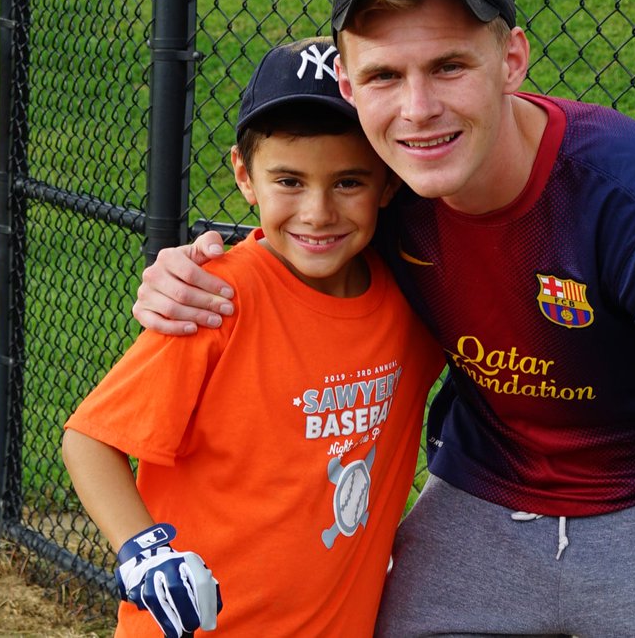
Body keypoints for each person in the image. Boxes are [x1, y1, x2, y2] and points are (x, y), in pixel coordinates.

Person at [132, 0, 635, 637]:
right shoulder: (381, 190)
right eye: (384, 75)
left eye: (448, 67)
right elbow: (295, 239)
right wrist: (189, 272)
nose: (417, 108)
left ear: (512, 60)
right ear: (349, 86)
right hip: (485, 493)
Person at [62, 36, 444, 637]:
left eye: (349, 182)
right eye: (288, 181)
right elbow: (89, 440)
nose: (317, 212)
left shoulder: (413, 303)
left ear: (389, 183)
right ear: (245, 175)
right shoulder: (216, 299)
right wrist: (145, 552)